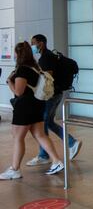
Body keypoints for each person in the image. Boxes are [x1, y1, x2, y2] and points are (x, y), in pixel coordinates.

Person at [0, 42, 64, 180]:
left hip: (24, 107)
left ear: (19, 54)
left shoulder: (22, 70)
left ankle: (15, 169)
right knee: (40, 135)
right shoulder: (36, 67)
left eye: (15, 52)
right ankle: (56, 161)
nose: (14, 55)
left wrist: (9, 82)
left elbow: (18, 92)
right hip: (37, 105)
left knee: (18, 137)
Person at [26, 35, 81, 166]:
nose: (32, 46)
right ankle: (72, 143)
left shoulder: (46, 58)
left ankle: (44, 155)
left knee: (42, 124)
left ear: (41, 43)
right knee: (49, 122)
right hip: (56, 94)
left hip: (50, 95)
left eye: (34, 43)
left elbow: (47, 79)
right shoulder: (50, 56)